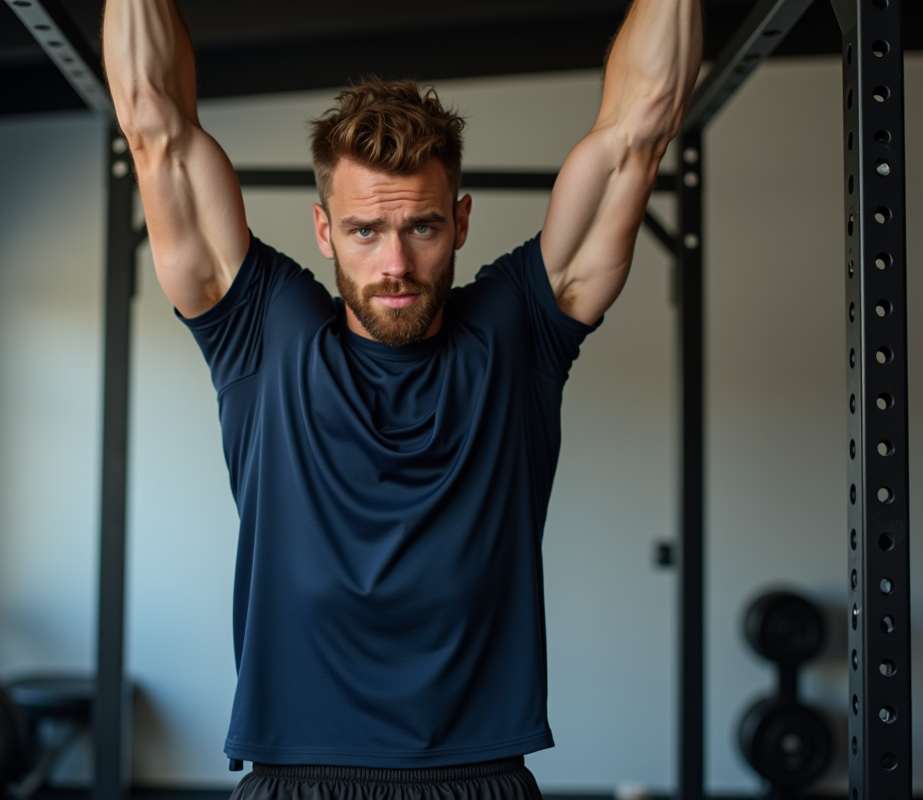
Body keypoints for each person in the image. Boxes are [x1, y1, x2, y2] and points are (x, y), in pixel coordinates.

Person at [103, 1, 701, 798]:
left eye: (420, 228)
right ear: (323, 230)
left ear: (459, 222)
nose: (394, 263)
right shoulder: (263, 335)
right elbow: (155, 128)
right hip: (296, 780)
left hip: (477, 778)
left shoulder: (517, 332)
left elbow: (638, 132)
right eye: (364, 232)